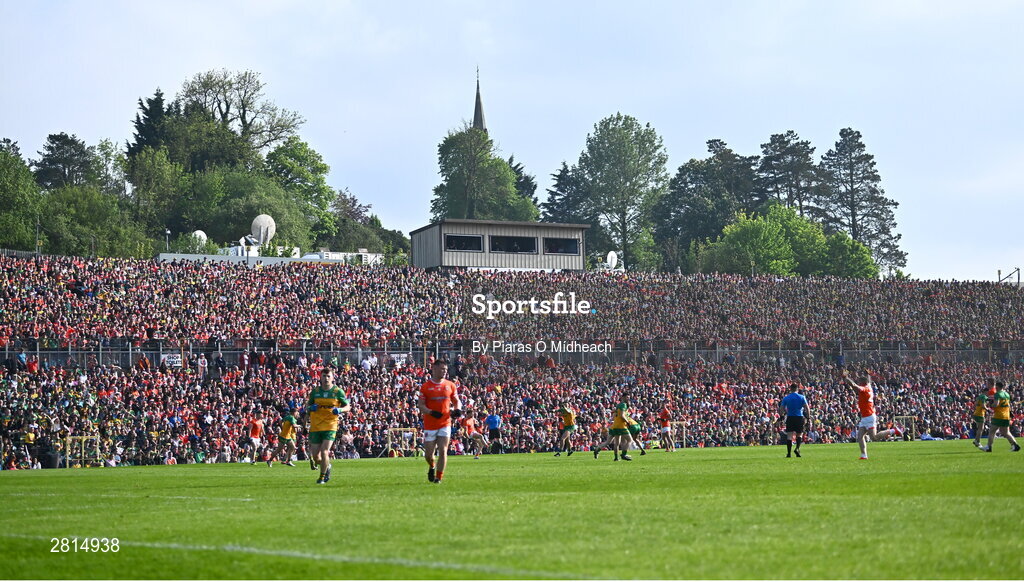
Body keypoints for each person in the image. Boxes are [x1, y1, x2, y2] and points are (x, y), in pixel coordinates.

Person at [418, 358, 461, 483]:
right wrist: (431, 412)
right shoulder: (426, 386)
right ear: (434, 369)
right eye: (442, 369)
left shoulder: (450, 385)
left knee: (443, 450)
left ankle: (439, 478)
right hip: (430, 424)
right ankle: (432, 466)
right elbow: (421, 405)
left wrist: (457, 409)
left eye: (446, 369)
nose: (444, 372)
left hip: (445, 422)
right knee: (428, 455)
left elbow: (456, 400)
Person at [842, 369, 902, 460]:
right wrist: (867, 374)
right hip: (865, 416)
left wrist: (846, 378)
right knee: (860, 436)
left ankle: (893, 430)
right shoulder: (868, 386)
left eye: (859, 381)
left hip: (869, 416)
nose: (858, 382)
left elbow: (854, 386)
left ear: (862, 383)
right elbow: (864, 383)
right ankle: (864, 455)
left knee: (874, 437)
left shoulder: (865, 389)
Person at [306, 369, 351, 484]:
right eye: (324, 376)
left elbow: (348, 407)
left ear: (332, 377)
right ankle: (327, 466)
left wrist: (340, 410)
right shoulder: (315, 391)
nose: (326, 378)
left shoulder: (337, 391)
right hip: (316, 426)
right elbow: (307, 406)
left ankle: (322, 477)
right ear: (320, 377)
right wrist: (310, 409)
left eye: (328, 376)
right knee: (316, 457)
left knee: (325, 451)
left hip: (330, 425)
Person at [983, 381, 1021, 452]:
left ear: (997, 387)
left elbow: (996, 404)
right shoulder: (1007, 394)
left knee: (992, 431)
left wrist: (990, 405)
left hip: (999, 415)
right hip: (1006, 415)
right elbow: (1008, 405)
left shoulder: (997, 394)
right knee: (1005, 432)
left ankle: (989, 447)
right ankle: (1015, 445)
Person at [779, 383, 810, 458]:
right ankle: (797, 448)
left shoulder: (786, 398)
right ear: (797, 389)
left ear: (790, 389)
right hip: (799, 417)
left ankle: (789, 453)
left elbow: (781, 408)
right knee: (799, 434)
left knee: (789, 435)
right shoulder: (802, 397)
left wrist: (782, 416)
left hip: (790, 417)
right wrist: (808, 418)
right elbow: (807, 408)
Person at [972, 378, 995, 448]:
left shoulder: (979, 396)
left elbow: (975, 404)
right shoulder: (984, 397)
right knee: (981, 429)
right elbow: (983, 405)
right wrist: (988, 410)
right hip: (980, 414)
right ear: (986, 391)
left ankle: (976, 440)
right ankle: (977, 441)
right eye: (988, 392)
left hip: (976, 413)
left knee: (980, 428)